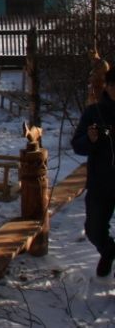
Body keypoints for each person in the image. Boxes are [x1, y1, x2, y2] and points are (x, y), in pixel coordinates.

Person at [72, 67, 115, 276]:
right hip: (101, 182)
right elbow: (77, 145)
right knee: (94, 230)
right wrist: (90, 139)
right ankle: (108, 250)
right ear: (107, 86)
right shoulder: (94, 112)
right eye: (114, 85)